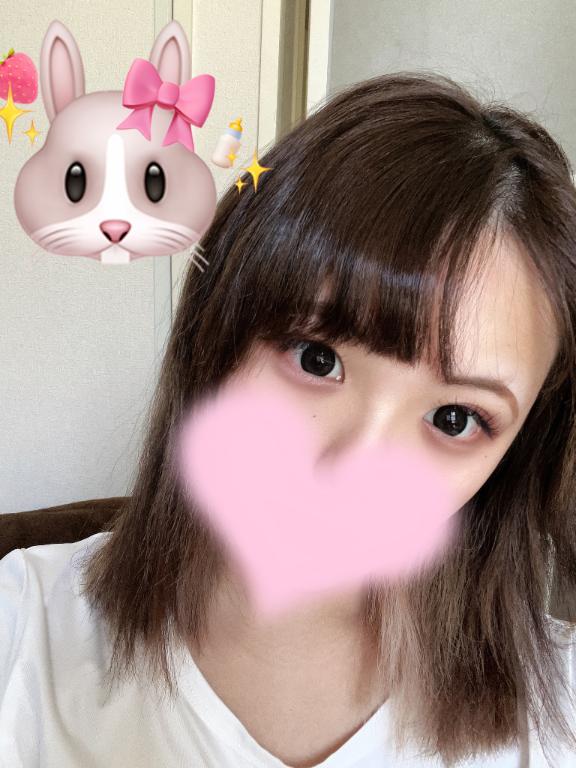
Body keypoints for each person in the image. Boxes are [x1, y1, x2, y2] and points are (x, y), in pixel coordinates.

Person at [1, 70, 576, 768]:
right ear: (216, 336)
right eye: (316, 358)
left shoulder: (560, 710)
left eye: (456, 419)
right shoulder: (23, 631)